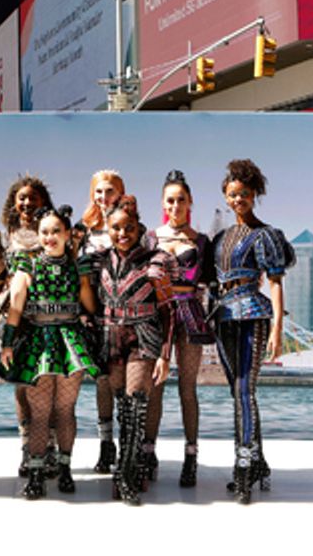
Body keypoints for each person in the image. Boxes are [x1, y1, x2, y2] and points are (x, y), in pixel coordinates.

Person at [0, 205, 100, 499]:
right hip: (38, 342)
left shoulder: (77, 267)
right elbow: (16, 306)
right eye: (44, 232)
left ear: (68, 234)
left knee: (65, 410)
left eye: (56, 231)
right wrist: (7, 342)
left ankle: (66, 470)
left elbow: (90, 305)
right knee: (40, 414)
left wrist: (98, 321)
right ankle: (36, 473)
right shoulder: (27, 264)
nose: (50, 236)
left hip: (70, 342)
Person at [212, 158, 294, 504]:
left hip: (253, 314)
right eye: (232, 195)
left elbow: (275, 283)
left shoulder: (266, 236)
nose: (237, 200)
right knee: (237, 393)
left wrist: (277, 328)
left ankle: (243, 470)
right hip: (221, 317)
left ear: (254, 194)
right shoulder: (220, 237)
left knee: (245, 390)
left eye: (243, 194)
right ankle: (257, 462)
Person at [0, 175, 53, 476]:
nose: (27, 203)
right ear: (14, 202)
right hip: (17, 322)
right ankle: (27, 447)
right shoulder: (4, 240)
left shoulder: (56, 231)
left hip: (51, 317)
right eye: (22, 198)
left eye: (33, 197)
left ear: (43, 201)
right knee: (22, 386)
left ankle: (52, 449)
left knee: (51, 383)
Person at [97, 197, 173, 504]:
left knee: (137, 403)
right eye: (116, 228)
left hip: (144, 337)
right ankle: (131, 466)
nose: (123, 233)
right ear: (108, 228)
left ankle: (125, 476)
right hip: (110, 338)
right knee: (122, 408)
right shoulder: (97, 261)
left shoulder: (157, 260)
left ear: (139, 226)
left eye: (129, 227)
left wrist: (166, 355)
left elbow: (168, 311)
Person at [142, 169, 215, 488]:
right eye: (170, 200)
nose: (175, 205)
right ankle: (148, 453)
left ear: (190, 202)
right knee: (153, 388)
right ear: (162, 203)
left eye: (181, 200)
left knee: (188, 388)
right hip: (156, 317)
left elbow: (208, 281)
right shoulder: (150, 238)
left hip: (190, 317)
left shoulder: (201, 241)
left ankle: (191, 456)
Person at [76, 169, 125, 474]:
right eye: (98, 192)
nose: (103, 197)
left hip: (124, 313)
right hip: (93, 313)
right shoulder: (84, 230)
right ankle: (106, 445)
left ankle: (134, 445)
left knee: (125, 382)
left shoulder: (129, 226)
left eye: (110, 191)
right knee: (102, 381)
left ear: (120, 193)